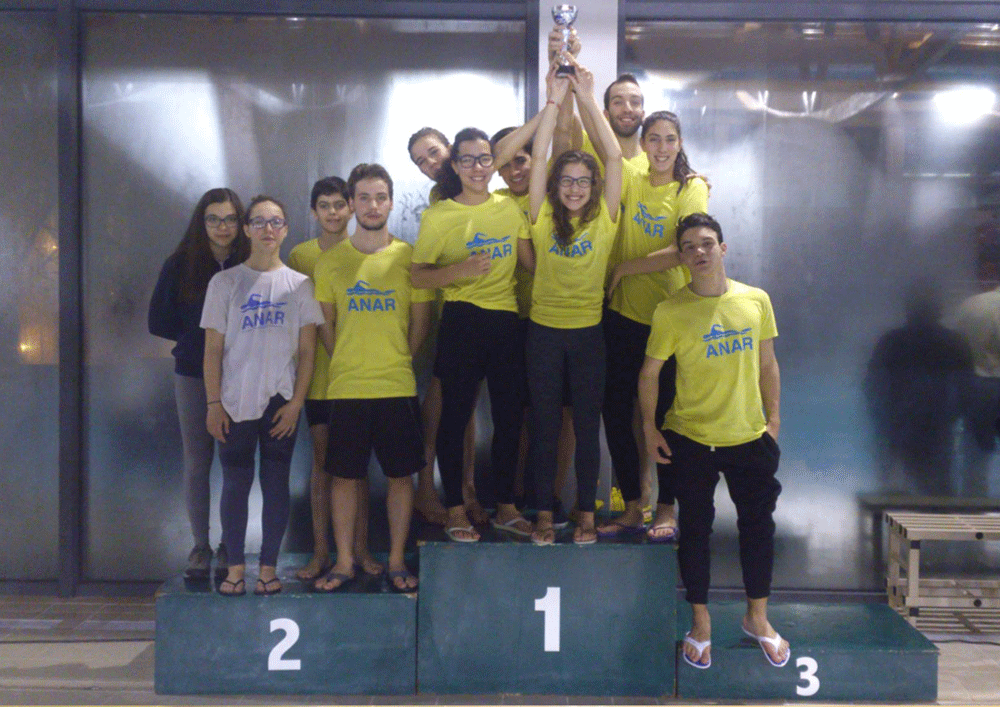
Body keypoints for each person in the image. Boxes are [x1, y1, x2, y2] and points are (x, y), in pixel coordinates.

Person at [639, 212, 787, 669]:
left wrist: (773, 420)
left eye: (706, 243)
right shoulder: (670, 310)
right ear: (681, 258)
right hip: (691, 438)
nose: (699, 252)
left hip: (749, 438)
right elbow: (649, 374)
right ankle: (700, 622)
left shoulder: (755, 300)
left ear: (722, 248)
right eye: (689, 246)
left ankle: (757, 618)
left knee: (758, 529)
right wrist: (650, 428)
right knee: (696, 530)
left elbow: (768, 364)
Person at [313, 164, 431, 593]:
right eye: (363, 197)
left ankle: (396, 560)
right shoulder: (331, 263)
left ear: (391, 202)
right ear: (351, 204)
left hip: (396, 386)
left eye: (380, 197)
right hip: (346, 388)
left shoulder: (410, 258)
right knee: (344, 478)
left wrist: (395, 360)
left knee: (401, 478)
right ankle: (344, 562)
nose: (372, 205)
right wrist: (352, 360)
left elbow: (420, 326)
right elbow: (327, 329)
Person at [519, 58, 622, 545]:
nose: (575, 188)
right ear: (555, 187)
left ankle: (585, 515)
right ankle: (544, 514)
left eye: (583, 181)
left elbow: (614, 157)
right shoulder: (540, 215)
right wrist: (553, 100)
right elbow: (539, 157)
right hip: (543, 333)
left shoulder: (604, 218)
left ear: (593, 186)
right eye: (567, 181)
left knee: (585, 427)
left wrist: (585, 95)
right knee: (544, 427)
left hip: (588, 335)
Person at [412, 127, 532, 542]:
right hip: (461, 320)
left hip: (506, 321)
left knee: (509, 417)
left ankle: (506, 507)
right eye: (467, 160)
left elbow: (531, 263)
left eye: (484, 159)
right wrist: (458, 270)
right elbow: (417, 275)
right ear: (456, 164)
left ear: (492, 162)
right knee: (455, 417)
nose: (477, 167)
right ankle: (456, 511)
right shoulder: (439, 215)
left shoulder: (509, 207)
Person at [201, 195, 323, 596]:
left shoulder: (300, 285)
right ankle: (235, 568)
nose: (268, 229)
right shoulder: (224, 283)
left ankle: (268, 569)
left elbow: (308, 352)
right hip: (233, 401)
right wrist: (213, 403)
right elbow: (212, 350)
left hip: (281, 402)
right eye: (259, 222)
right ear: (247, 229)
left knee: (276, 483)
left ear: (285, 230)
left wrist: (296, 404)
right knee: (235, 483)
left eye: (276, 222)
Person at [598, 110, 709, 541]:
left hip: (670, 318)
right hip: (622, 316)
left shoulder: (691, 187)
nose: (662, 148)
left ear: (680, 144)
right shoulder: (632, 176)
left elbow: (687, 247)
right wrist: (582, 95)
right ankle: (632, 506)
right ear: (643, 144)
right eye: (654, 139)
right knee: (615, 413)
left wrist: (625, 267)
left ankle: (666, 508)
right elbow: (608, 148)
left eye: (670, 139)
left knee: (667, 418)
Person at [149, 188, 249, 578]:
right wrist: (198, 339)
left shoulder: (250, 262)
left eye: (229, 219)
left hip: (240, 376)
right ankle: (200, 546)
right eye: (213, 219)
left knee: (235, 461)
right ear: (201, 222)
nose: (222, 227)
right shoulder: (180, 264)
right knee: (197, 462)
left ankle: (230, 545)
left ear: (240, 222)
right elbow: (158, 321)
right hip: (192, 374)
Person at [287, 177, 381, 581]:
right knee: (324, 466)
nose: (333, 213)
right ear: (313, 212)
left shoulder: (367, 250)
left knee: (355, 469)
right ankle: (321, 552)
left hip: (360, 378)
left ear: (351, 208)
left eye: (339, 204)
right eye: (324, 206)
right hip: (318, 379)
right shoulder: (301, 256)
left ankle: (360, 549)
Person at [407, 127, 479, 526]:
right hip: (446, 309)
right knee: (441, 401)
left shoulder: (479, 173)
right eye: (421, 161)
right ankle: (426, 488)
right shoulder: (441, 197)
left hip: (488, 309)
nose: (430, 164)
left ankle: (467, 488)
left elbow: (505, 149)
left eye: (433, 153)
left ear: (450, 147)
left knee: (467, 406)